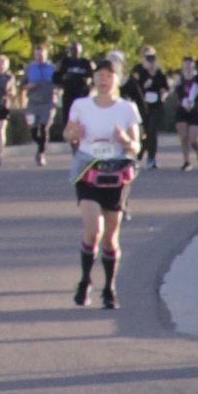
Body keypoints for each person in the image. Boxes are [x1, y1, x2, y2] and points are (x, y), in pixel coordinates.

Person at [65, 50, 143, 307]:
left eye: (109, 76)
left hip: (116, 174)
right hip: (88, 170)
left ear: (117, 79)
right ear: (93, 79)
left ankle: (109, 288)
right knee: (93, 230)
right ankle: (85, 280)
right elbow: (67, 133)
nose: (103, 80)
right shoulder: (81, 105)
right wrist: (73, 134)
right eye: (99, 75)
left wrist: (126, 140)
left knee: (110, 236)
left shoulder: (126, 108)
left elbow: (136, 146)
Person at [22, 42, 57, 164]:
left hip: (47, 103)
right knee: (34, 131)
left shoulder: (52, 68)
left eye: (42, 55)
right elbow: (22, 85)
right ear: (34, 55)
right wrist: (28, 86)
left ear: (46, 54)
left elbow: (59, 83)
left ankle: (41, 153)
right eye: (37, 55)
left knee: (44, 127)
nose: (40, 57)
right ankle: (39, 144)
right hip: (33, 103)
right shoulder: (29, 68)